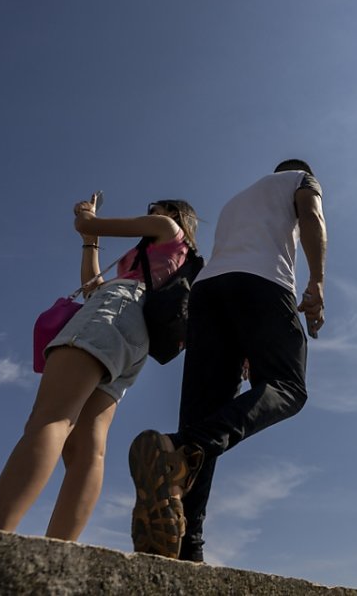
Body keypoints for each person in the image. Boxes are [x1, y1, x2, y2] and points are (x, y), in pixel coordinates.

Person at [128, 159, 327, 561]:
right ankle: (179, 447)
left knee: (206, 413)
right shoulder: (299, 179)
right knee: (288, 387)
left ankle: (187, 546)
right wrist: (317, 282)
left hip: (208, 295)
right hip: (262, 283)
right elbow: (312, 216)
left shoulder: (236, 202)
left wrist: (248, 345)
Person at [0, 196, 199, 541]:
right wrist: (89, 242)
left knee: (50, 419)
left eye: (155, 207)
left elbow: (87, 224)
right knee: (85, 448)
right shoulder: (168, 255)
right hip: (135, 334)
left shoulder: (166, 228)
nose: (149, 212)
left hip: (115, 310)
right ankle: (59, 550)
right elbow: (93, 285)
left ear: (174, 213)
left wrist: (85, 217)